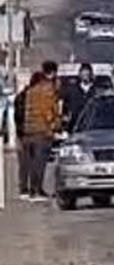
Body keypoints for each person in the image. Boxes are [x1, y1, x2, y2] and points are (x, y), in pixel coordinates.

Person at [18, 61, 61, 200]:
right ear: (53, 72)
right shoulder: (47, 89)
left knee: (30, 162)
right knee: (39, 162)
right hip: (42, 130)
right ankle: (37, 190)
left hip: (28, 130)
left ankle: (30, 189)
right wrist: (55, 125)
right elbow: (48, 111)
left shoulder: (31, 90)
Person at [61, 62, 102, 132]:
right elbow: (65, 106)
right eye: (83, 73)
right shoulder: (71, 91)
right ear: (79, 75)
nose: (85, 76)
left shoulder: (97, 91)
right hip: (74, 126)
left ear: (91, 75)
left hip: (93, 126)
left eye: (87, 74)